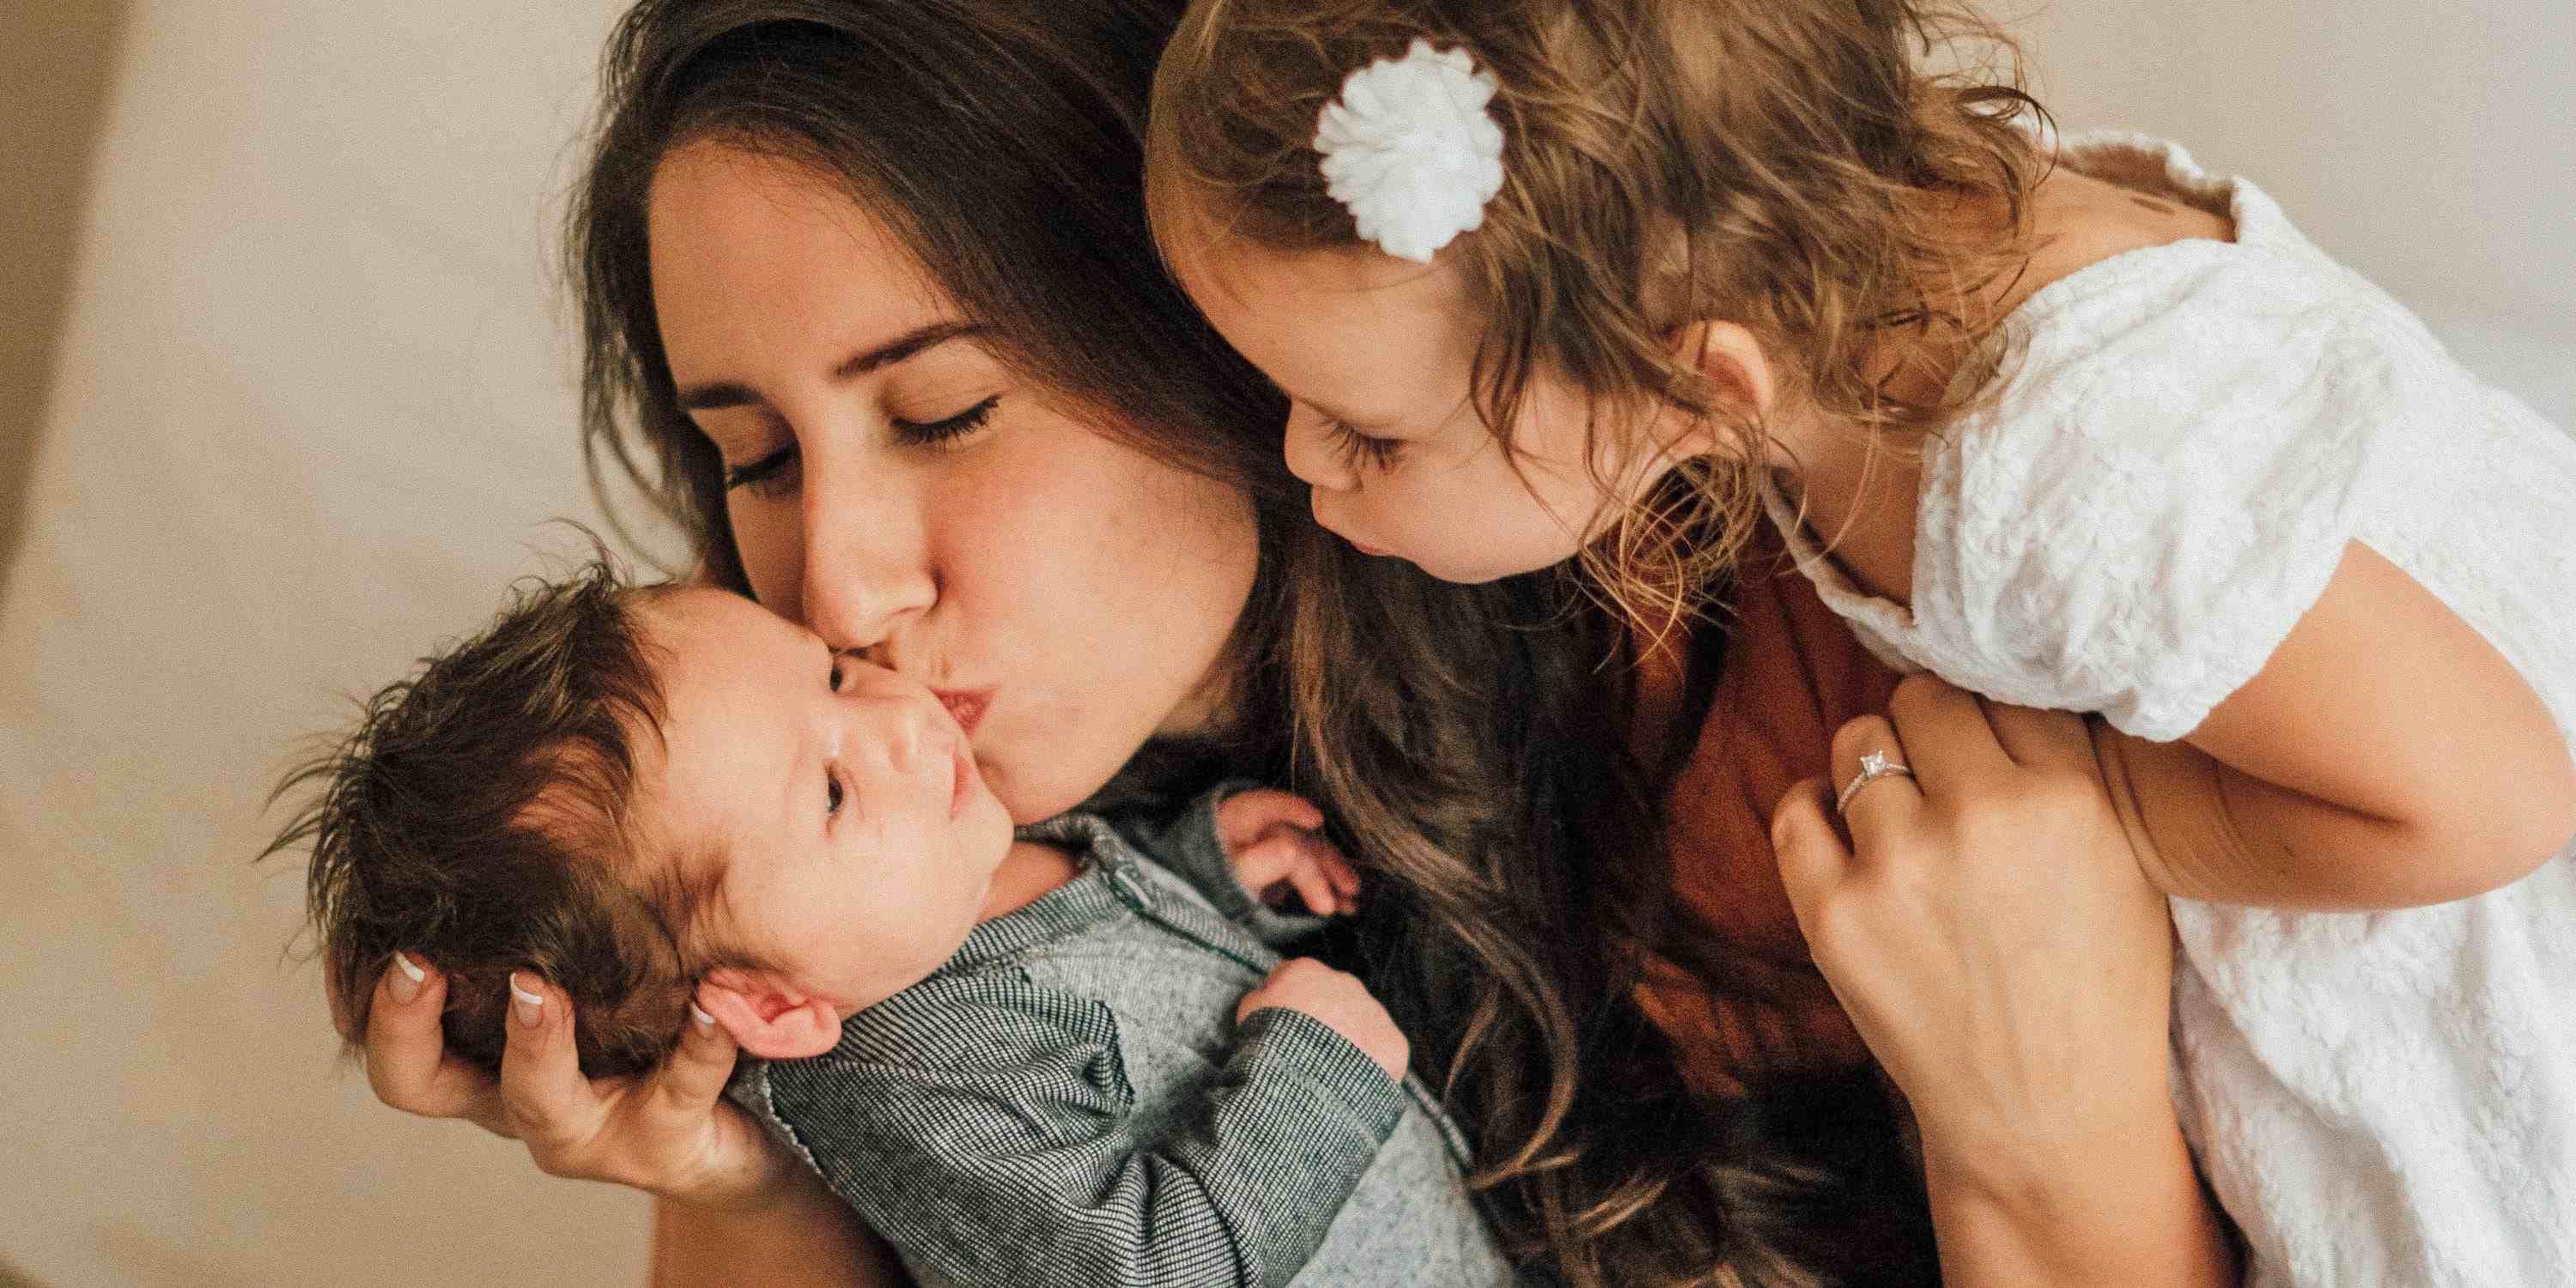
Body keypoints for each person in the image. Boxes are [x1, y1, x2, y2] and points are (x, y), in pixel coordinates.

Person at [347, 2, 2231, 1285]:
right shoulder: (870, 886)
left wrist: (2044, 1146)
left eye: (941, 413)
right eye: (752, 456)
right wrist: (739, 1179)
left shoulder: (1803, 691)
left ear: (1209, 318)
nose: (841, 592)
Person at [1145, 2, 2576, 1281]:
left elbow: (2490, 797)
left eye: (1367, 431)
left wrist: (2106, 815)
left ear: (1690, 395)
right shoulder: (1875, 269)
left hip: (2471, 1031)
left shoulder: (2048, 468)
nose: (1298, 461)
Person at [273, 566, 1513, 1286]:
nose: (900, 721)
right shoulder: (913, 1072)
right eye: (828, 790)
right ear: (770, 1005)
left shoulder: (934, 891)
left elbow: (1123, 973)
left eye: (831, 673)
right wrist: (1314, 1071)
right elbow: (1149, 1272)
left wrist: (1216, 871)